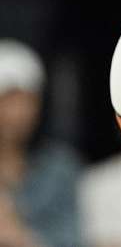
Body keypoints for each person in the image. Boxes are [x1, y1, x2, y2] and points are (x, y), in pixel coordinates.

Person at [0, 40, 81, 247]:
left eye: (28, 100)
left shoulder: (59, 167)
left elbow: (73, 240)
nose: (17, 113)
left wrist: (17, 236)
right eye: (7, 99)